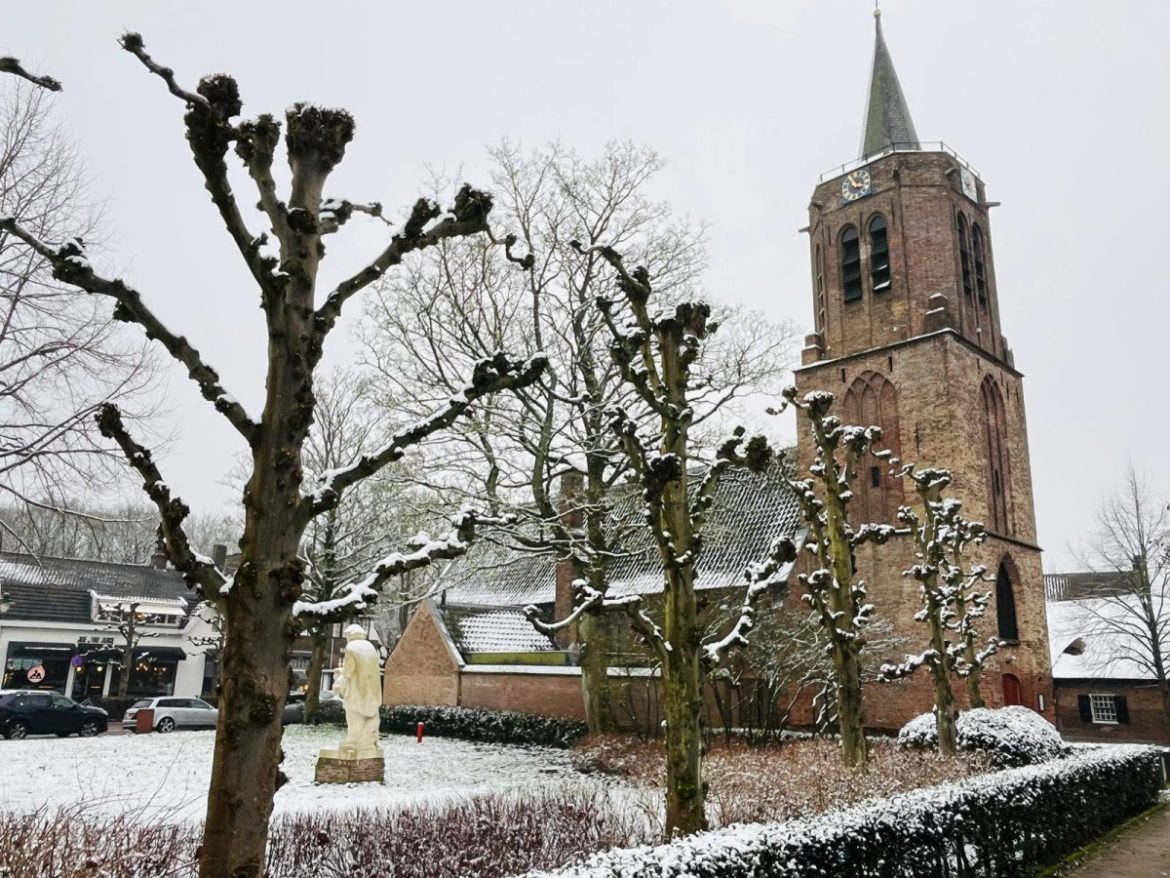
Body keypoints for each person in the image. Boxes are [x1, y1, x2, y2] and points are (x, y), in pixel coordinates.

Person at [333, 623, 382, 754]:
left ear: (350, 635)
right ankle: (370, 741)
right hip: (372, 694)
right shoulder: (370, 648)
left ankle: (351, 742)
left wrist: (341, 687)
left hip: (356, 692)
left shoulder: (352, 648)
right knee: (370, 717)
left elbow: (348, 671)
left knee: (353, 716)